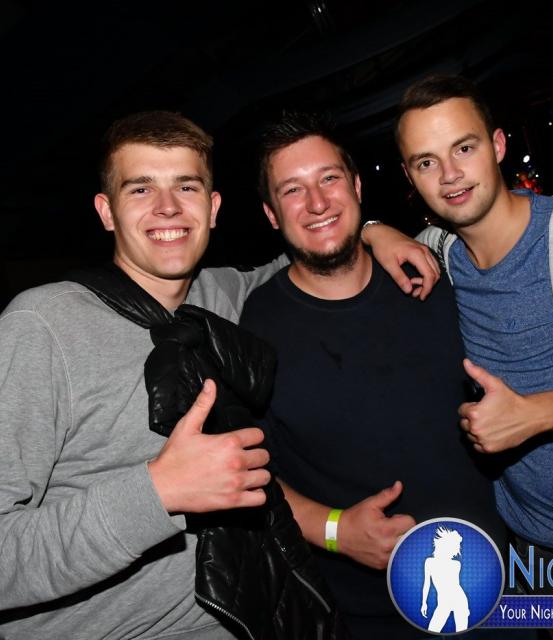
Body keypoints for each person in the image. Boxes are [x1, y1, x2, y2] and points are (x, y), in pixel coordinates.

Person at [0, 111, 304, 640]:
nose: (168, 207)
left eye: (186, 186)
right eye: (140, 188)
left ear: (212, 208)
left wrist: (376, 232)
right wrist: (157, 492)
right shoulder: (42, 326)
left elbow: (309, 258)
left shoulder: (221, 297)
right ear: (107, 211)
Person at [363, 74, 553, 639]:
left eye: (463, 148)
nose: (450, 175)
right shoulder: (437, 254)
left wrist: (532, 415)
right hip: (529, 549)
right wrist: (373, 230)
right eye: (426, 162)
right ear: (411, 177)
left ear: (496, 145)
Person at [239, 111, 508, 639]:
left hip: (497, 583)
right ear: (272, 214)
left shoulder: (432, 274)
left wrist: (374, 230)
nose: (317, 202)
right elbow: (252, 472)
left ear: (357, 187)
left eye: (329, 179)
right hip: (367, 614)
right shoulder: (256, 327)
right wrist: (335, 532)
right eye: (293, 190)